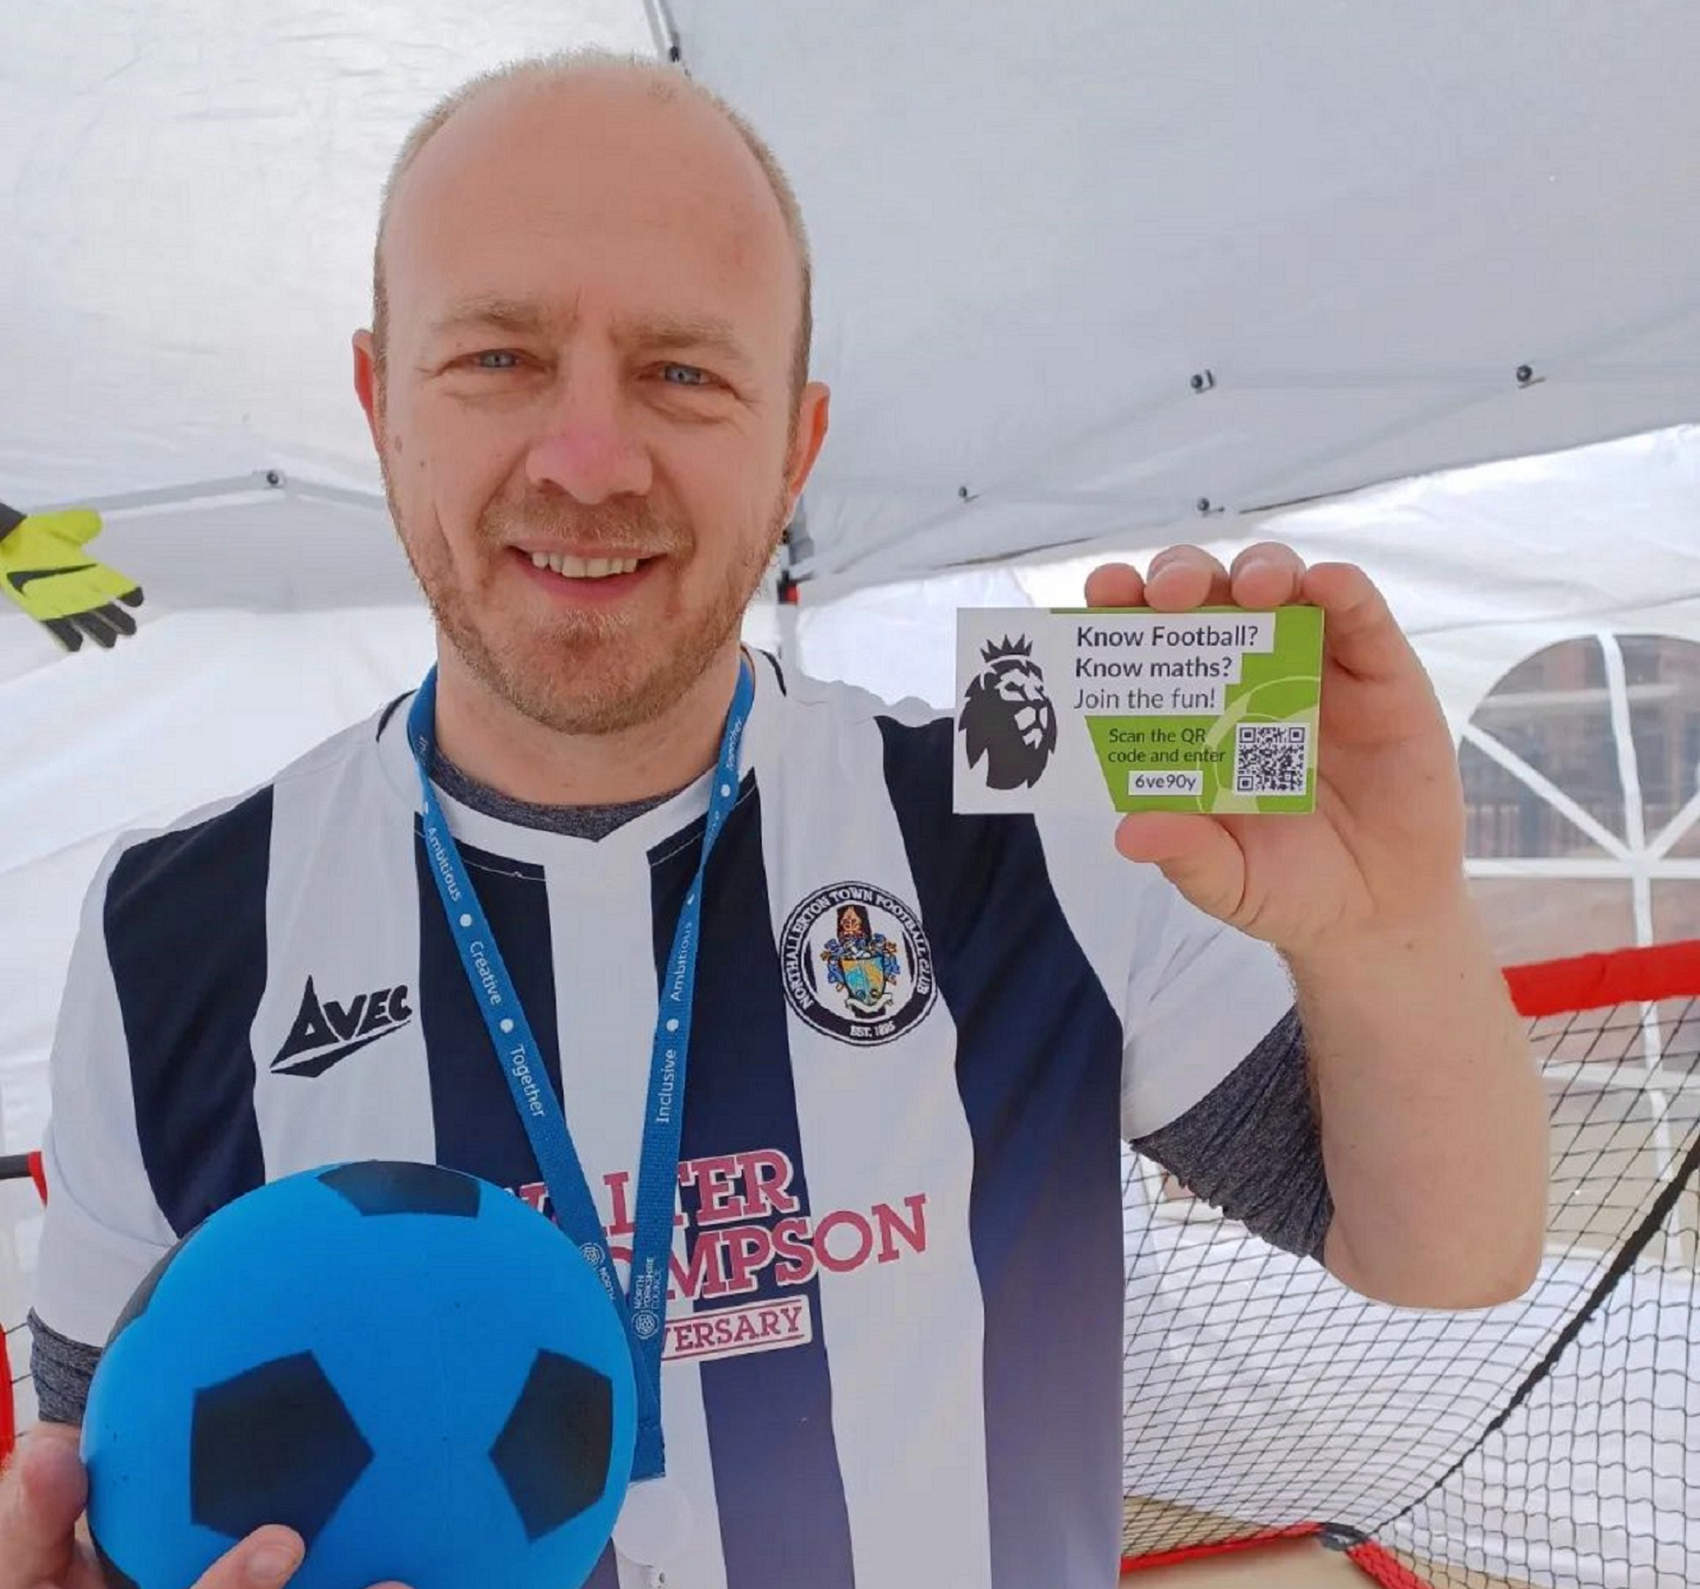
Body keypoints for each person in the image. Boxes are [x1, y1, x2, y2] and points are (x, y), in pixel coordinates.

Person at [0, 47, 1549, 1589]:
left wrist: (1387, 922)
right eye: (498, 359)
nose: (589, 461)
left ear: (797, 445)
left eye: (683, 371)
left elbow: (1443, 1248)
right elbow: (99, 1495)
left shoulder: (1042, 823)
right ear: (378, 400)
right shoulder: (173, 926)